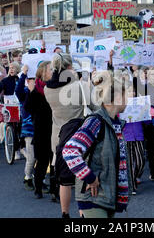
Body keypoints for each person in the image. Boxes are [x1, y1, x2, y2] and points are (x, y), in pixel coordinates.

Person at [63, 70, 132, 218]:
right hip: (95, 198)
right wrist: (90, 178)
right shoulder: (96, 121)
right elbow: (70, 151)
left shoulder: (116, 123)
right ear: (118, 97)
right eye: (127, 95)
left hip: (108, 198)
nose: (129, 99)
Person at [44, 53, 96, 217]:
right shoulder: (78, 86)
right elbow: (95, 106)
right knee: (81, 177)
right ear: (68, 68)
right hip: (78, 137)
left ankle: (65, 213)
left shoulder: (47, 88)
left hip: (58, 136)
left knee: (64, 181)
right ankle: (83, 213)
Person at [24, 61, 53, 199]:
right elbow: (28, 108)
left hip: (54, 128)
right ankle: (38, 187)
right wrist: (31, 92)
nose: (53, 71)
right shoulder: (35, 90)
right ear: (43, 72)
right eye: (50, 69)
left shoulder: (55, 87)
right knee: (42, 161)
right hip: (40, 130)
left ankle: (54, 189)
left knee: (54, 160)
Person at [15, 63, 38, 192]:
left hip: (41, 129)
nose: (32, 83)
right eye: (30, 81)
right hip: (29, 130)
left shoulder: (40, 93)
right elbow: (17, 90)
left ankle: (40, 179)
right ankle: (28, 177)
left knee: (41, 157)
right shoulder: (23, 94)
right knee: (32, 157)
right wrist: (23, 74)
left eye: (34, 80)